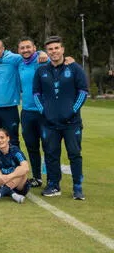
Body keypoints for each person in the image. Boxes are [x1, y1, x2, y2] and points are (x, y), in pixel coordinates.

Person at [33, 36, 88, 200]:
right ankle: (53, 185)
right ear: (47, 52)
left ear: (62, 49)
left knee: (74, 154)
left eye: (56, 48)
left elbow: (83, 91)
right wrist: (44, 112)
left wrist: (72, 111)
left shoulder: (75, 68)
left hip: (72, 123)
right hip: (49, 123)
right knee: (50, 154)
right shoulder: (41, 70)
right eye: (50, 49)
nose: (53, 51)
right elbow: (36, 94)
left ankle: (77, 187)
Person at [17, 37, 46, 187]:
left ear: (34, 48)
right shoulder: (19, 64)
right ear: (18, 50)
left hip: (44, 112)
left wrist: (44, 52)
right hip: (27, 111)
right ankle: (37, 177)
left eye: (28, 47)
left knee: (49, 146)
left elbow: (60, 58)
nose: (25, 50)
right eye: (22, 48)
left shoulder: (43, 60)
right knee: (32, 146)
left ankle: (53, 180)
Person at [0, 128, 30, 204]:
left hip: (18, 187)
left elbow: (26, 168)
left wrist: (9, 176)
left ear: (8, 138)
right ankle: (13, 195)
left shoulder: (15, 150)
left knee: (21, 169)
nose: (0, 140)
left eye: (2, 137)